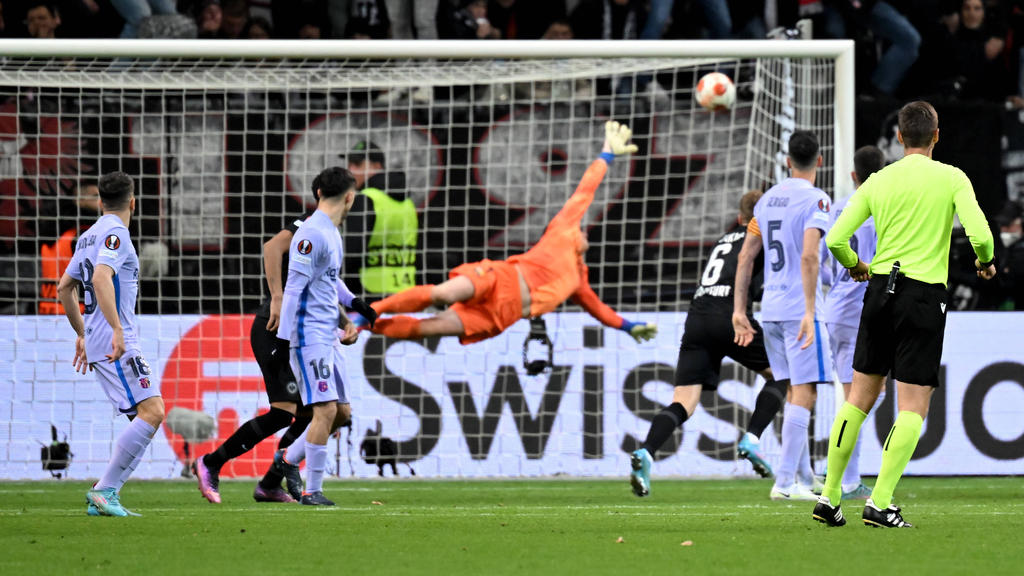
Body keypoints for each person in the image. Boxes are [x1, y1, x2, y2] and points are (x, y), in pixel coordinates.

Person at [813, 101, 996, 528]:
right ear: (936, 136)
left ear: (898, 138)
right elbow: (981, 235)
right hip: (921, 295)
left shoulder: (878, 179)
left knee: (858, 398)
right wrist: (985, 261)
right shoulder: (951, 177)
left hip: (878, 291)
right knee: (913, 404)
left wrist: (856, 263)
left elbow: (837, 238)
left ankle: (829, 495)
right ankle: (880, 502)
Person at [361, 121, 657, 347]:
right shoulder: (563, 230)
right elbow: (586, 190)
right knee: (442, 293)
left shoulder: (579, 280)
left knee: (430, 328)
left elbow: (599, 310)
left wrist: (628, 326)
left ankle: (361, 327)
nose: (584, 232)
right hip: (498, 280)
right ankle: (369, 311)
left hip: (498, 316)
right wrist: (607, 155)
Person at [629, 190, 789, 498]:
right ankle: (752, 439)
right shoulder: (761, 239)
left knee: (683, 402)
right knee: (783, 375)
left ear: (739, 217)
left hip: (697, 318)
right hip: (730, 316)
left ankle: (646, 452)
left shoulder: (723, 240)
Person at [192, 176, 327, 504]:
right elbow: (271, 247)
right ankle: (211, 462)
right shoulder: (309, 225)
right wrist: (278, 297)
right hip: (273, 325)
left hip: (299, 331)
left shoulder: (331, 235)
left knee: (312, 414)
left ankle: (269, 483)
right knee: (286, 412)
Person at [56, 172, 166, 517]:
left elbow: (64, 288)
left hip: (101, 341)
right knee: (153, 412)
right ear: (133, 202)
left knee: (143, 414)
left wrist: (84, 334)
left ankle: (106, 492)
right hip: (116, 343)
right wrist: (115, 330)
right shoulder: (116, 233)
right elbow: (102, 277)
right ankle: (105, 490)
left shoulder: (87, 236)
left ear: (100, 201)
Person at [733, 130, 833, 502]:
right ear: (818, 161)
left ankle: (804, 477)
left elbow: (746, 257)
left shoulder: (767, 201)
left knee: (793, 390)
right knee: (805, 394)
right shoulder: (817, 201)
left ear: (787, 161)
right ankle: (785, 482)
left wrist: (739, 311)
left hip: (770, 310)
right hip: (798, 310)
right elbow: (810, 256)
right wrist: (810, 310)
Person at [270, 166, 376, 506]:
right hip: (307, 336)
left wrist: (355, 302)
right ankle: (312, 491)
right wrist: (284, 342)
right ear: (349, 197)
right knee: (326, 410)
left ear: (319, 192)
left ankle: (287, 459)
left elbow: (329, 279)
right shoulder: (311, 233)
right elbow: (293, 289)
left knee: (341, 413)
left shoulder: (330, 231)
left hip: (326, 333)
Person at [820, 145, 886, 501]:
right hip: (866, 311)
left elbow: (826, 260)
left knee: (859, 396)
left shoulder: (838, 207)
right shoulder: (885, 207)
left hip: (837, 309)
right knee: (856, 400)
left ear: (852, 175)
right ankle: (846, 481)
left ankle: (840, 475)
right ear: (885, 171)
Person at [344, 141, 418, 296]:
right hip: (405, 289)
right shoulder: (408, 203)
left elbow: (350, 253)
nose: (350, 170)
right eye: (349, 164)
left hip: (366, 293)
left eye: (357, 164)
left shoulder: (364, 199)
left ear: (377, 166)